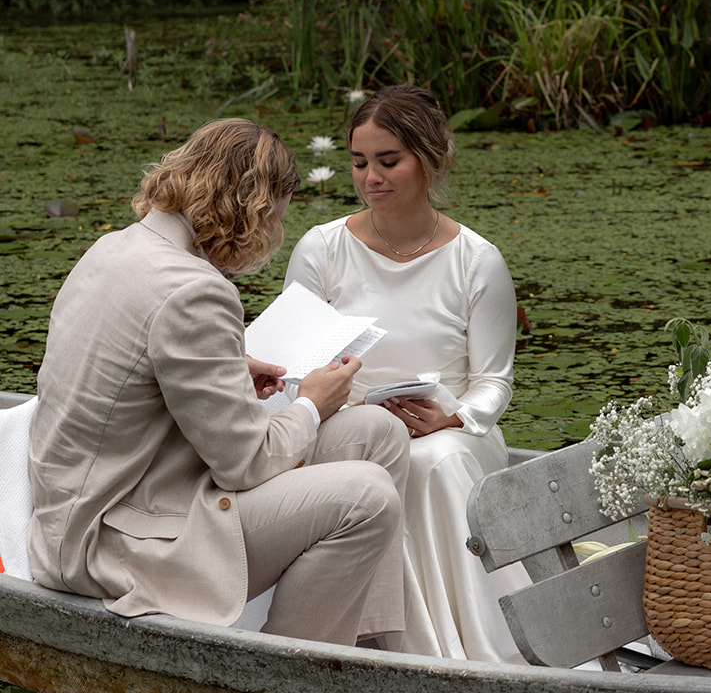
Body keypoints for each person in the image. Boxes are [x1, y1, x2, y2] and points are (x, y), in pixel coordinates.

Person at [28, 118, 409, 649]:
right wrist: (311, 406)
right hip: (111, 543)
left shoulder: (115, 248)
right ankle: (284, 685)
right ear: (254, 205)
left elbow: (142, 370)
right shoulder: (194, 291)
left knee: (377, 432)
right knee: (368, 497)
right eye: (278, 211)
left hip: (113, 500)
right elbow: (245, 463)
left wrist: (230, 365)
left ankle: (364, 648)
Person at [283, 84, 525, 661]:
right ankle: (375, 636)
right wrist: (339, 404)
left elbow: (494, 380)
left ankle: (460, 643)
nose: (371, 177)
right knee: (378, 456)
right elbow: (294, 364)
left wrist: (453, 416)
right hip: (346, 423)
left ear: (429, 159)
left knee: (433, 462)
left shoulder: (477, 260)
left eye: (389, 161)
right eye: (359, 162)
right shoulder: (321, 249)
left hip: (451, 431)